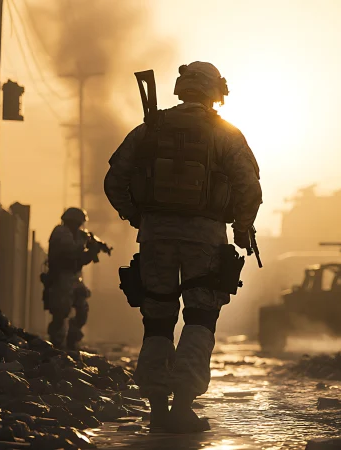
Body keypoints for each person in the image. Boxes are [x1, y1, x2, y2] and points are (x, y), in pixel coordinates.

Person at [104, 61, 262, 433]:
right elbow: (249, 188)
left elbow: (114, 181)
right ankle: (183, 406)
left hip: (156, 237)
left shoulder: (149, 129)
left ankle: (158, 406)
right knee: (201, 317)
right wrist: (241, 229)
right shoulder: (225, 134)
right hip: (205, 238)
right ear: (214, 93)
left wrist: (138, 216)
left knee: (157, 318)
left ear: (182, 88)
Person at [45, 207, 99, 350]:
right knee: (61, 311)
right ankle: (56, 344)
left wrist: (92, 246)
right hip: (61, 276)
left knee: (82, 309)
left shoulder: (76, 235)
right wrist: (90, 252)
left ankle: (72, 340)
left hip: (74, 278)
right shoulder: (61, 233)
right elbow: (73, 255)